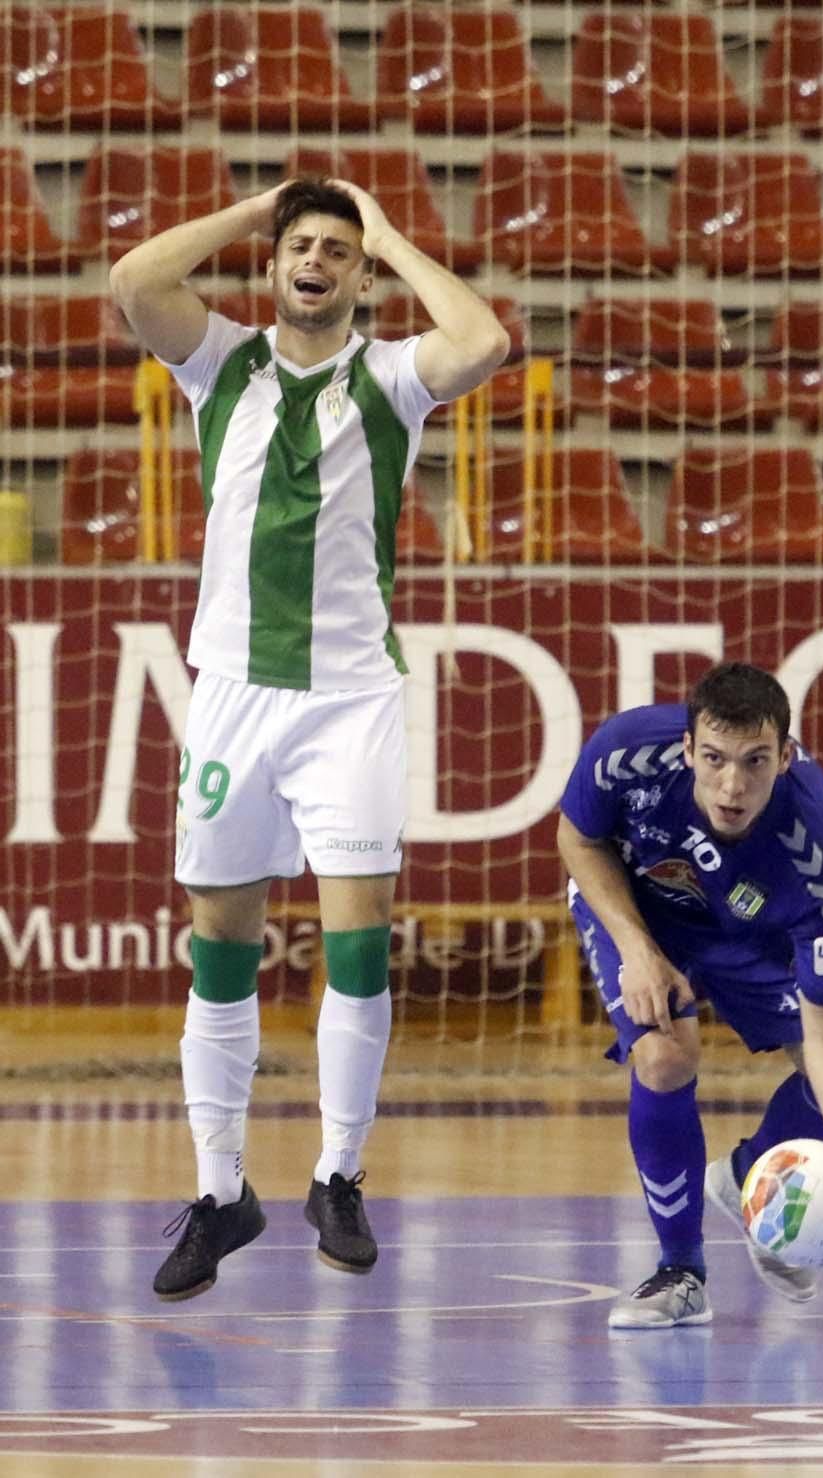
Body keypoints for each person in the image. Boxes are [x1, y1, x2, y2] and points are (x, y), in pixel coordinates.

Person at [109, 177, 510, 1301]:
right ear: (274, 264)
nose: (317, 261)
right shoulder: (218, 362)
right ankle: (221, 1187)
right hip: (234, 691)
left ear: (362, 277)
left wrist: (389, 234)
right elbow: (135, 280)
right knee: (222, 944)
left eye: (338, 251)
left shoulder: (387, 376)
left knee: (358, 935)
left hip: (351, 698)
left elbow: (480, 338)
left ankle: (338, 1169)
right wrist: (253, 210)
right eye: (303, 247)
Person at [556, 661, 823, 1330]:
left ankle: (746, 1178)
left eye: (754, 762)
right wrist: (638, 950)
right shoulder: (626, 752)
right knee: (663, 1056)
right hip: (644, 911)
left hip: (755, 934)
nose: (732, 784)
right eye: (713, 759)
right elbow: (578, 838)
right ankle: (681, 1270)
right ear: (686, 749)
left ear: (786, 758)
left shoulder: (816, 858)